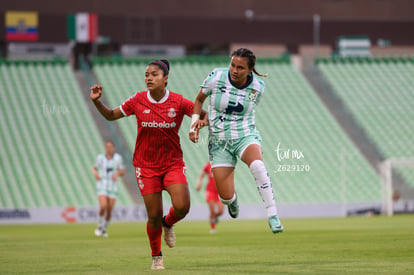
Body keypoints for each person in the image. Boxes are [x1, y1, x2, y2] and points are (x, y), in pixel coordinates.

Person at [90, 59, 208, 270]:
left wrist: (198, 124)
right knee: (152, 215)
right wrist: (97, 102)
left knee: (182, 207)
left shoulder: (179, 102)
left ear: (165, 78)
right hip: (146, 166)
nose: (149, 78)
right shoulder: (137, 100)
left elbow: (204, 115)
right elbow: (110, 115)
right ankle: (156, 256)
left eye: (154, 74)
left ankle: (168, 223)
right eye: (146, 75)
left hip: (172, 163)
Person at [189, 48, 284, 234]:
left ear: (250, 69)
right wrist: (195, 125)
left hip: (244, 135)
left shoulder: (258, 87)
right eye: (232, 65)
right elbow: (199, 100)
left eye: (240, 67)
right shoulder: (216, 77)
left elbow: (242, 113)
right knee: (224, 197)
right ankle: (232, 201)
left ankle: (273, 215)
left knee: (258, 166)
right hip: (219, 142)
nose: (234, 70)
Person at [92, 141, 125, 237]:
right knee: (103, 206)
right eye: (107, 147)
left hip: (113, 186)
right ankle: (99, 226)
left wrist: (118, 173)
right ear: (105, 148)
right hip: (102, 184)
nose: (109, 148)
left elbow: (122, 170)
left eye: (111, 147)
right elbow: (94, 168)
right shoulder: (100, 158)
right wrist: (96, 174)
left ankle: (103, 228)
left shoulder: (118, 158)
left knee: (110, 209)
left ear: (113, 148)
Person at [196, 162, 224, 234]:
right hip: (210, 190)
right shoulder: (208, 165)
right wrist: (199, 183)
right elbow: (201, 175)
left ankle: (214, 217)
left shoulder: (222, 164)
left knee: (221, 211)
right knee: (212, 210)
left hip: (220, 191)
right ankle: (213, 228)